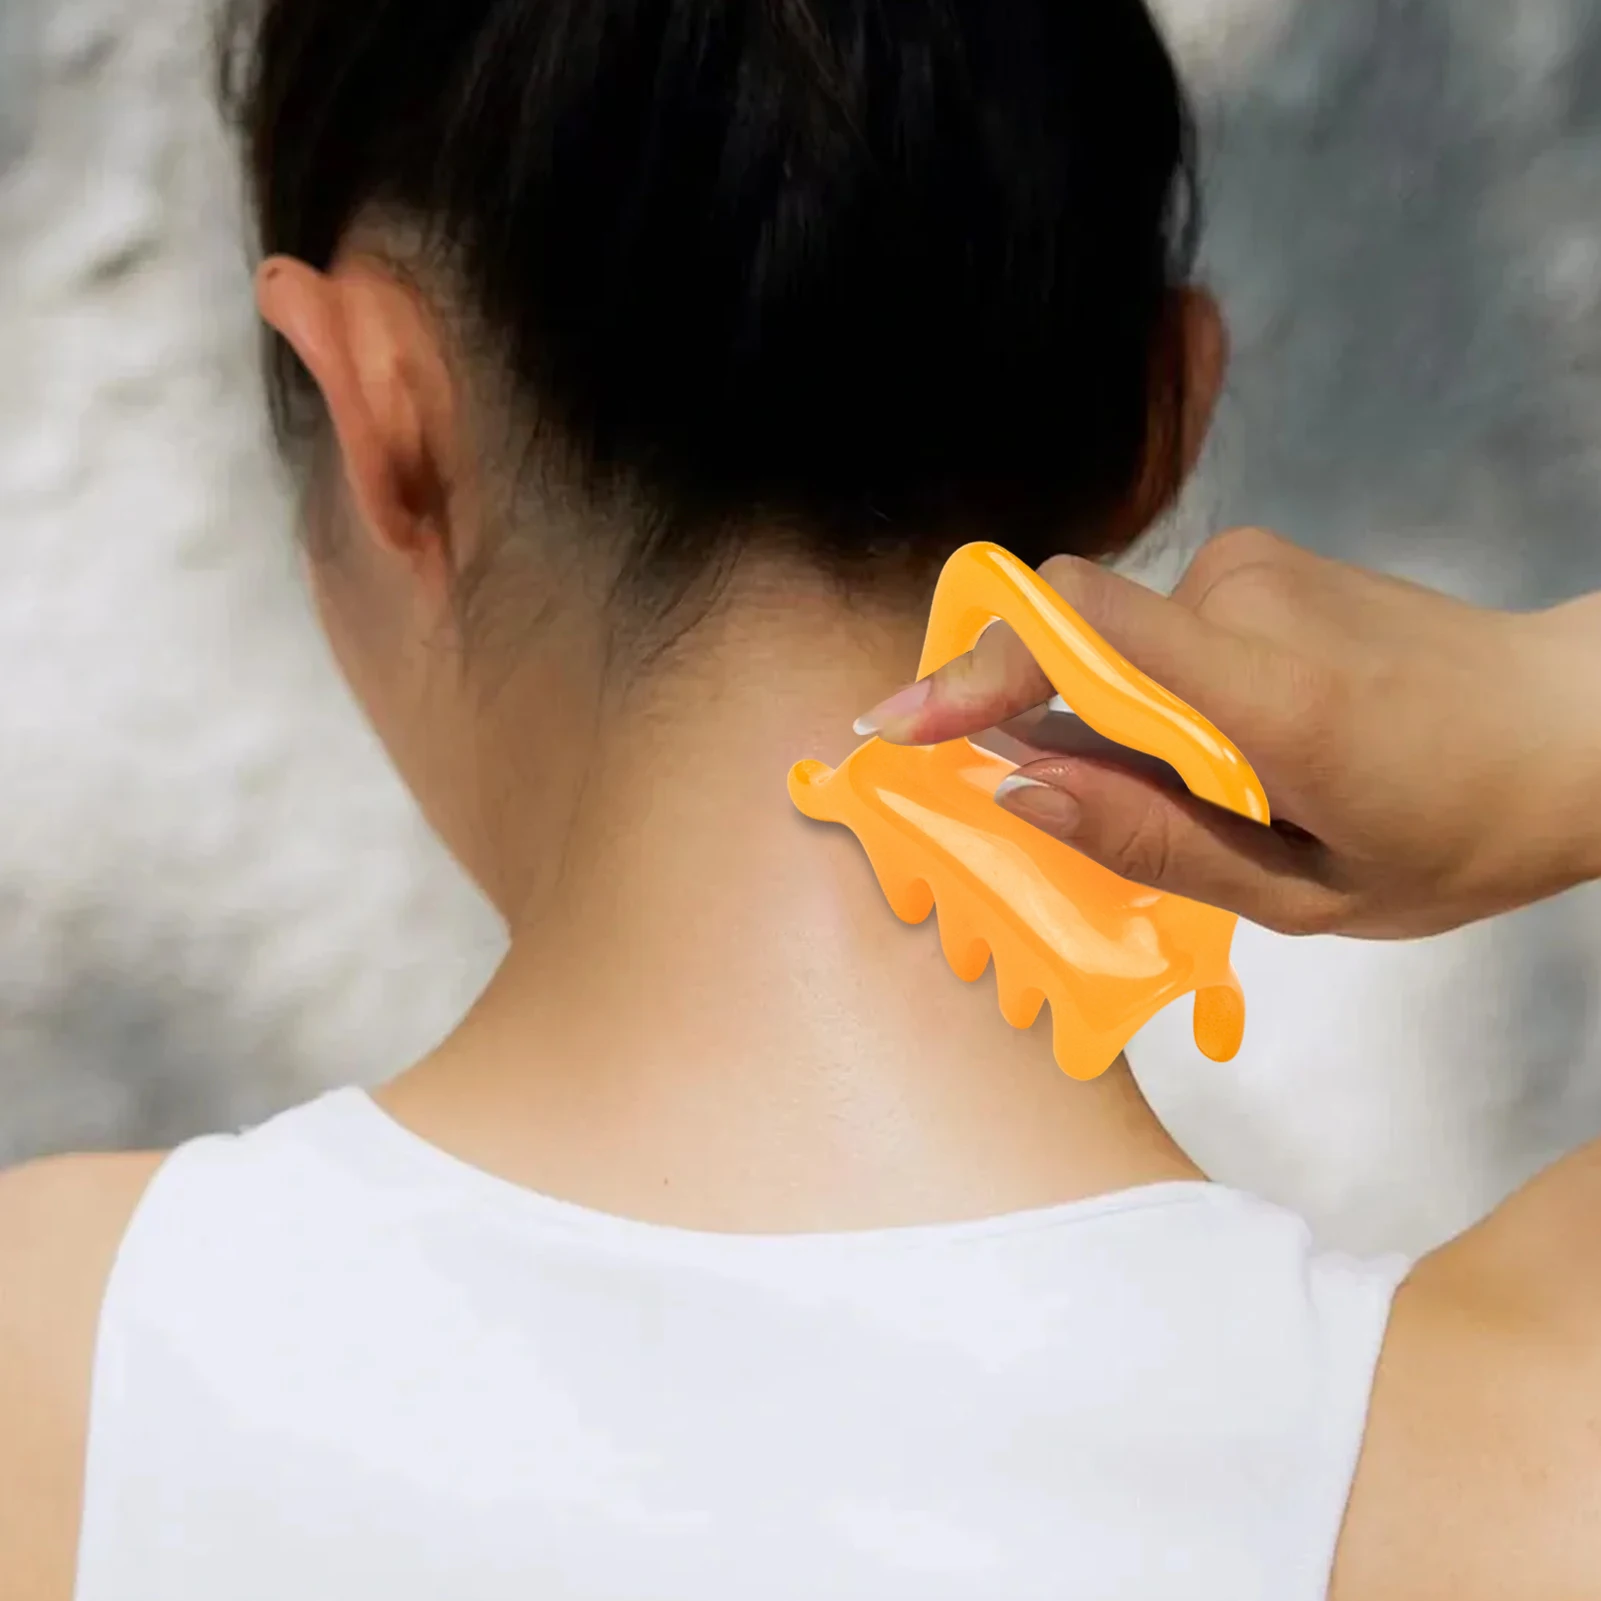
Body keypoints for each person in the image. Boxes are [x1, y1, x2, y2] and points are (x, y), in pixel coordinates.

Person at [1, 0, 1598, 1596]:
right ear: (1160, 421)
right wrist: (1550, 719)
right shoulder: (1513, 1455)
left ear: (384, 422)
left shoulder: (60, 1372)